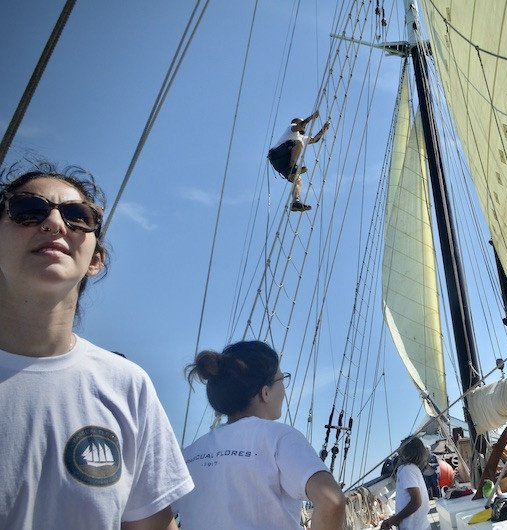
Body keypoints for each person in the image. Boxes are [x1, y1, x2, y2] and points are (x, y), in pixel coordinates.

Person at [0, 162, 193, 529]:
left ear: (96, 260)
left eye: (77, 216)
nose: (55, 224)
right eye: (27, 210)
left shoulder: (127, 386)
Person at [174, 340, 346, 529]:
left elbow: (152, 515)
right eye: (282, 379)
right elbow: (331, 500)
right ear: (265, 392)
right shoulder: (279, 438)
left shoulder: (189, 454)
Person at [268, 110, 331, 212]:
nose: (304, 126)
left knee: (298, 179)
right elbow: (300, 126)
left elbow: (315, 140)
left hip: (282, 164)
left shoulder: (301, 138)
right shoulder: (291, 129)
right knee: (298, 143)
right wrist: (311, 117)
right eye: (302, 123)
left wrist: (324, 129)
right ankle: (293, 168)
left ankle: (295, 202)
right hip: (277, 155)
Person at [380, 436, 431, 530]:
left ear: (407, 450)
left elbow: (416, 501)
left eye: (402, 443)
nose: (400, 443)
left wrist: (395, 519)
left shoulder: (407, 470)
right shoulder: (412, 468)